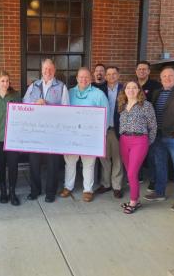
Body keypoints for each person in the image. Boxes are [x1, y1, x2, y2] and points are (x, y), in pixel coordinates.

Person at [23, 58, 69, 203]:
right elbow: (24, 104)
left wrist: (51, 107)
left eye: (50, 69)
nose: (47, 71)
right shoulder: (33, 86)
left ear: (54, 70)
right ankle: (35, 191)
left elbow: (67, 110)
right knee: (34, 162)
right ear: (41, 70)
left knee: (53, 163)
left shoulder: (61, 87)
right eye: (45, 69)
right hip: (36, 132)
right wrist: (34, 103)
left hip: (53, 133)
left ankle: (50, 192)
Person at [60, 67, 109, 202]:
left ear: (91, 79)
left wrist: (101, 136)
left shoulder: (98, 94)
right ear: (76, 78)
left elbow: (106, 116)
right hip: (72, 136)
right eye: (81, 77)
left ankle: (88, 189)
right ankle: (68, 187)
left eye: (86, 77)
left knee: (88, 164)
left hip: (90, 137)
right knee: (70, 162)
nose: (83, 79)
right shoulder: (69, 93)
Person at [143, 67, 174, 213]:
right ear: (161, 78)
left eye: (170, 75)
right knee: (160, 165)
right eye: (164, 76)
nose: (167, 78)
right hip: (158, 135)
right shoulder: (157, 92)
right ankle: (159, 192)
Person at [118, 80, 157, 214]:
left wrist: (146, 142)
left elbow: (153, 126)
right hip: (124, 140)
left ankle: (133, 201)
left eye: (134, 87)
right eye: (128, 88)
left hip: (139, 141)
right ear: (124, 90)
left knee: (131, 173)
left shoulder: (146, 105)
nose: (131, 90)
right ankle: (136, 199)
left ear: (139, 90)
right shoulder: (122, 105)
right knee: (130, 173)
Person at [0, 70, 21, 206]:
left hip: (13, 138)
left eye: (7, 81)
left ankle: (13, 192)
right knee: (1, 165)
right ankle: (3, 191)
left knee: (13, 166)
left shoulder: (15, 95)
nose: (5, 83)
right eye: (2, 81)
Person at [96, 66, 124, 198]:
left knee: (117, 158)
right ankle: (106, 184)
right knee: (104, 158)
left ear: (118, 75)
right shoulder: (99, 90)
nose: (111, 76)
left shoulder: (125, 89)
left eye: (114, 74)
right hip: (103, 129)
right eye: (109, 74)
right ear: (105, 76)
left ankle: (117, 186)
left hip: (118, 129)